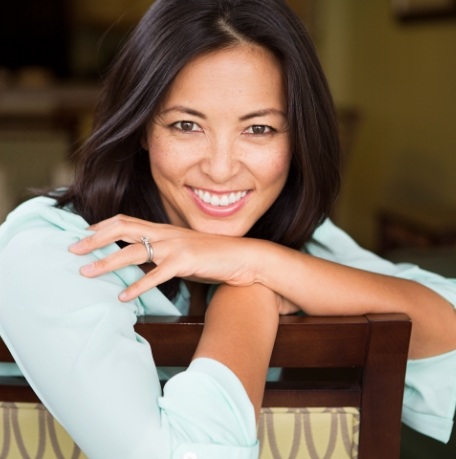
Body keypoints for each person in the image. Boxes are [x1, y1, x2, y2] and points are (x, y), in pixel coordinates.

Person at [0, 0, 455, 457]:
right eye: (185, 125)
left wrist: (254, 263)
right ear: (141, 127)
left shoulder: (283, 241)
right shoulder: (53, 252)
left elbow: (447, 327)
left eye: (258, 129)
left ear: (297, 137)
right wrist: (254, 290)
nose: (220, 169)